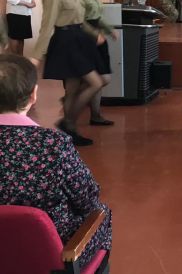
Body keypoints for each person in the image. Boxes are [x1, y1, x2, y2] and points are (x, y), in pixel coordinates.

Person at [0, 54, 112, 266]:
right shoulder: (53, 144)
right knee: (101, 213)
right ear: (33, 95)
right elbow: (87, 199)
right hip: (48, 255)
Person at [31, 0, 106, 146]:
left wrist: (94, 33)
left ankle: (70, 129)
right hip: (66, 42)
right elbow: (47, 26)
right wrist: (37, 56)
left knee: (72, 89)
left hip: (78, 39)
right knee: (95, 82)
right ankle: (67, 122)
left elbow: (80, 21)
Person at [73, 0, 116, 126]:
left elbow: (97, 14)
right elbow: (79, 19)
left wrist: (109, 29)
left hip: (98, 33)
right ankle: (72, 100)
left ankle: (96, 115)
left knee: (103, 76)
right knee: (99, 79)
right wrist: (93, 34)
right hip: (86, 36)